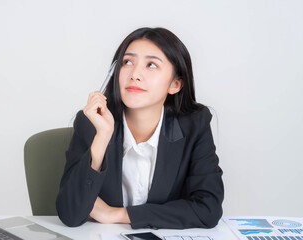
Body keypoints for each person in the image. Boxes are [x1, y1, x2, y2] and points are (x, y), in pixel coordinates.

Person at [56, 27, 224, 229]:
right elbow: (70, 214)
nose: (135, 74)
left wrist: (116, 214)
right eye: (127, 62)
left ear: (176, 84)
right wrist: (102, 138)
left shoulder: (194, 124)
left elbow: (208, 209)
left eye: (151, 65)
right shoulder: (91, 123)